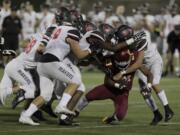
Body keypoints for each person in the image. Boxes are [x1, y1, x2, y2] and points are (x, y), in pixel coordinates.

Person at [18, 7, 103, 126]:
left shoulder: (55, 28)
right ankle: (61, 105)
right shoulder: (72, 31)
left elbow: (44, 46)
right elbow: (79, 54)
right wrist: (91, 49)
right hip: (52, 61)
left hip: (42, 63)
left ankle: (25, 115)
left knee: (45, 95)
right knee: (75, 81)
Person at [135, 20, 174, 125]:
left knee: (154, 83)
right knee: (144, 90)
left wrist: (148, 24)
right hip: (142, 65)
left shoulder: (146, 33)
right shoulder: (130, 38)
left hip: (154, 61)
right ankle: (156, 114)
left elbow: (155, 31)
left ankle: (167, 109)